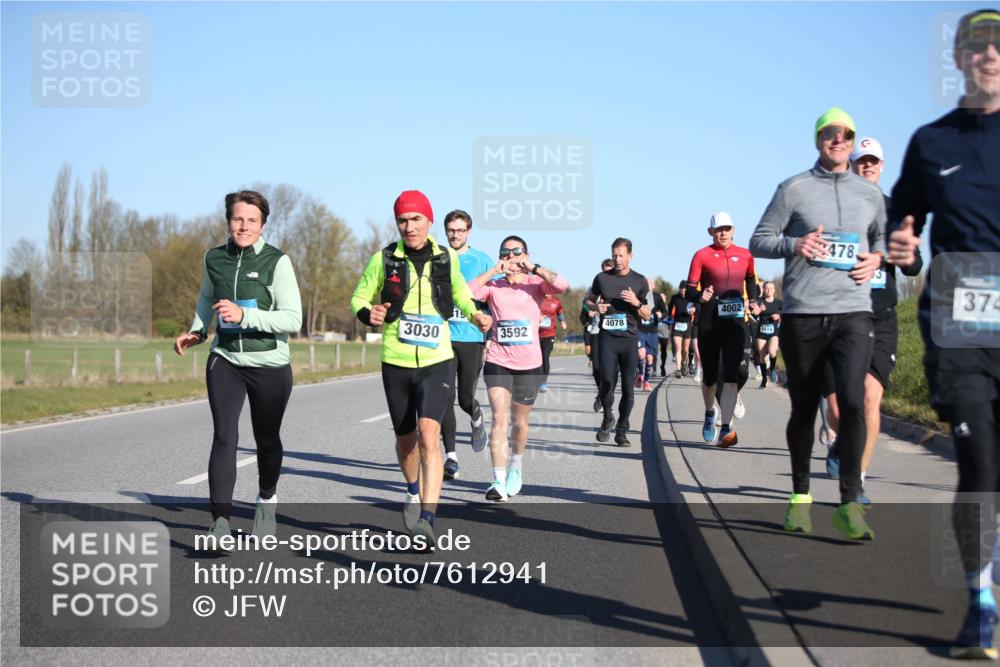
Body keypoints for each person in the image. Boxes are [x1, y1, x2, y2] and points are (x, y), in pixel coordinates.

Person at [886, 9, 1000, 657]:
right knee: (981, 466)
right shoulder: (932, 142)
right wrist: (906, 248)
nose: (989, 55)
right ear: (958, 60)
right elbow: (906, 221)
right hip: (959, 328)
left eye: (998, 47)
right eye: (976, 46)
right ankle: (979, 600)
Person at [750, 107, 885, 541]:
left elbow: (881, 239)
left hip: (853, 312)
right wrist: (796, 243)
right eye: (830, 133)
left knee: (852, 398)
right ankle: (800, 497)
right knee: (804, 407)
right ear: (818, 139)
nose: (839, 140)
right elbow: (759, 240)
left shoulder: (870, 194)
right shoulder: (793, 188)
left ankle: (849, 501)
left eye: (846, 134)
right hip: (803, 313)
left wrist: (878, 257)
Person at [351, 190, 491, 546]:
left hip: (436, 358)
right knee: (405, 440)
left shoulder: (445, 258)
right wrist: (371, 314)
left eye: (415, 219)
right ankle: (412, 490)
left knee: (430, 435)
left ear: (429, 221)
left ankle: (428, 520)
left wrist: (475, 313)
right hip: (396, 359)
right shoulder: (384, 259)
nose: (409, 226)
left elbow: (459, 293)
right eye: (402, 220)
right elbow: (359, 297)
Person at [174, 190, 302, 543]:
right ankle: (220, 522)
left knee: (267, 439)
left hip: (270, 363)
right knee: (224, 435)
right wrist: (197, 332)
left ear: (263, 225)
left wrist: (246, 314)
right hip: (226, 358)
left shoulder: (278, 262)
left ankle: (266, 499)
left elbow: (293, 318)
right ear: (228, 220)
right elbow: (206, 297)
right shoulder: (213, 258)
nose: (243, 226)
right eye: (237, 219)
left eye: (252, 220)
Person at [822, 137, 924, 502]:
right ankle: (841, 442)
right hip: (840, 315)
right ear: (851, 165)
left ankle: (857, 481)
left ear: (881, 167)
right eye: (860, 161)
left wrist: (894, 256)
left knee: (868, 398)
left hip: (881, 315)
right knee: (836, 406)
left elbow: (915, 265)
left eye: (873, 162)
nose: (866, 167)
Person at [468, 236, 568, 501]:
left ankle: (515, 464)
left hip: (529, 364)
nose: (511, 256)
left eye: (517, 251)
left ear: (525, 253)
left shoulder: (537, 285)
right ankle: (498, 481)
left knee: (519, 423)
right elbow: (466, 293)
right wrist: (492, 270)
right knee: (500, 418)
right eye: (506, 252)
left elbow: (562, 285)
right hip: (498, 359)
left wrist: (533, 267)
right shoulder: (493, 285)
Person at [687, 212, 760, 448]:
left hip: (736, 322)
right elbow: (689, 289)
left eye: (727, 228)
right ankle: (710, 413)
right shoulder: (702, 255)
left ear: (734, 230)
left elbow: (751, 281)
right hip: (710, 323)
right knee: (709, 378)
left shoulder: (745, 255)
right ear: (710, 232)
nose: (723, 233)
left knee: (731, 376)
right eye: (719, 229)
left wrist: (754, 300)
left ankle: (726, 427)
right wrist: (700, 295)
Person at [440, 209, 493, 481]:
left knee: (464, 399)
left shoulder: (482, 260)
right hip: (443, 338)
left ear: (468, 232)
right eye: (451, 230)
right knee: (444, 399)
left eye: (460, 230)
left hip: (471, 339)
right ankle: (451, 458)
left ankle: (475, 416)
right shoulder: (438, 257)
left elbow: (494, 299)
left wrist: (489, 334)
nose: (455, 235)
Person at [587, 239, 651, 446]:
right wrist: (596, 308)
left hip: (629, 340)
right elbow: (587, 301)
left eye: (621, 255)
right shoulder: (602, 278)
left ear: (630, 256)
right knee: (607, 381)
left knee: (628, 388)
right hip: (607, 338)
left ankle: (622, 429)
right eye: (614, 255)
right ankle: (608, 417)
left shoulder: (640, 281)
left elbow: (647, 315)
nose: (617, 259)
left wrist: (636, 302)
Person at [583, 258, 615, 412]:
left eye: (610, 270)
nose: (607, 273)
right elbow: (586, 303)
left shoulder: (619, 287)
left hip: (613, 333)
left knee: (609, 370)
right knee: (596, 368)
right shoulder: (594, 287)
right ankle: (601, 394)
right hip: (596, 330)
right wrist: (591, 308)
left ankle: (605, 397)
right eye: (604, 270)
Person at [635, 276, 666, 391]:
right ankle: (640, 374)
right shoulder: (639, 297)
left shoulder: (657, 297)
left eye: (650, 283)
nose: (648, 285)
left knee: (649, 359)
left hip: (652, 332)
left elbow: (665, 312)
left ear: (653, 286)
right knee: (641, 354)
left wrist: (661, 315)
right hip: (640, 330)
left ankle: (646, 381)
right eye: (646, 283)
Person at [751, 281, 782, 388]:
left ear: (774, 290)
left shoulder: (779, 303)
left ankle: (772, 369)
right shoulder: (759, 302)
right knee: (762, 357)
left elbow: (785, 314)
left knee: (773, 352)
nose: (769, 290)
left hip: (774, 332)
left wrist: (779, 316)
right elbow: (754, 314)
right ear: (763, 290)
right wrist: (759, 310)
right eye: (766, 288)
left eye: (771, 288)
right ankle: (764, 380)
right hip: (762, 332)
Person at [668, 281, 698, 378]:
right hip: (677, 324)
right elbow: (670, 307)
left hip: (687, 325)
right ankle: (678, 369)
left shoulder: (691, 298)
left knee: (685, 349)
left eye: (684, 289)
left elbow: (697, 308)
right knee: (678, 348)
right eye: (681, 289)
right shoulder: (675, 297)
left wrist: (695, 310)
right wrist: (669, 316)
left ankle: (684, 362)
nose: (683, 291)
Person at [538, 293, 567, 392]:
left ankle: (543, 382)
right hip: (534, 333)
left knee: (545, 356)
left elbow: (559, 311)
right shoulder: (535, 298)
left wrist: (562, 321)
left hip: (549, 334)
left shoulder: (556, 301)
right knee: (536, 357)